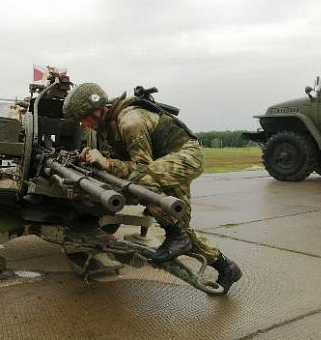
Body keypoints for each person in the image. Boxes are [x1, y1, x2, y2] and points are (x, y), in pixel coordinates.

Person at [62, 83, 242, 293]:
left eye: (83, 117)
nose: (83, 124)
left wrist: (107, 163)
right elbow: (125, 161)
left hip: (187, 156)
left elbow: (139, 168)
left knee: (141, 182)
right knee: (180, 225)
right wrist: (98, 158)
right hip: (165, 163)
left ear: (97, 109)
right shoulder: (108, 126)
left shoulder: (130, 121)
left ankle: (177, 237)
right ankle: (227, 268)